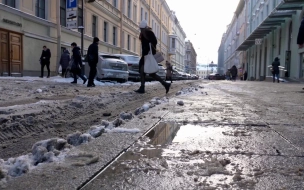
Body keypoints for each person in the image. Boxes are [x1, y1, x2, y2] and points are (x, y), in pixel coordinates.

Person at [134, 20, 171, 94]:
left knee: (150, 73)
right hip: (145, 55)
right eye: (141, 29)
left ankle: (165, 84)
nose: (141, 30)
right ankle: (143, 87)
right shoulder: (142, 33)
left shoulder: (149, 33)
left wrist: (148, 44)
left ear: (145, 27)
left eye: (142, 29)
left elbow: (155, 42)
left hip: (149, 55)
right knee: (142, 70)